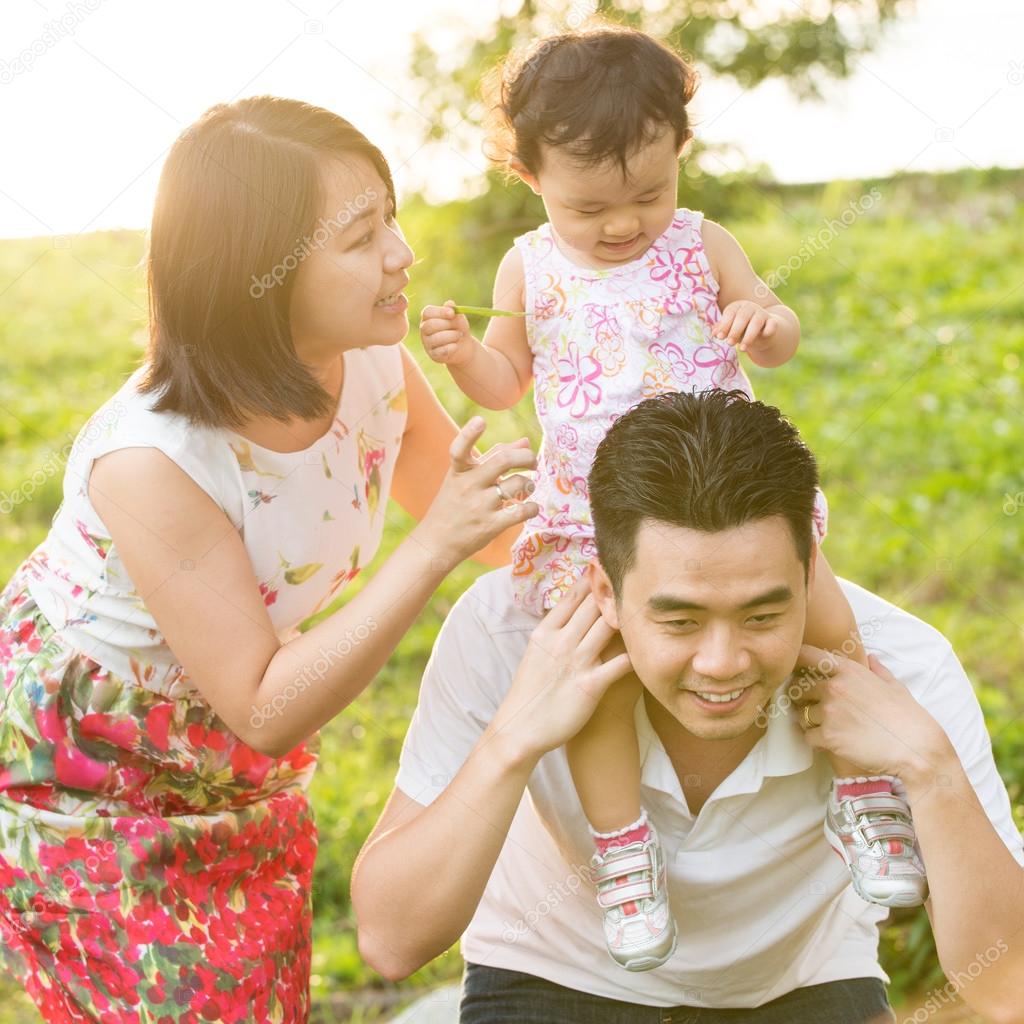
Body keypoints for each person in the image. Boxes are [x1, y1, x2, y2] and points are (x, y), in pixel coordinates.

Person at [0, 95, 538, 1024]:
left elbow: (488, 525)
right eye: (363, 235)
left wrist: (625, 576)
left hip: (234, 746)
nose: (402, 255)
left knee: (259, 989)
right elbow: (264, 707)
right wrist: (435, 543)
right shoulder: (155, 459)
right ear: (259, 273)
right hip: (89, 764)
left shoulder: (369, 360)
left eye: (392, 218)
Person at [418, 25, 925, 972]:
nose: (623, 224)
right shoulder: (529, 267)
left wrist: (761, 322)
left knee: (823, 623)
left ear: (680, 156)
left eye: (650, 193)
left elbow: (777, 336)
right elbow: (505, 382)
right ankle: (624, 854)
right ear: (529, 177)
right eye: (591, 205)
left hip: (724, 502)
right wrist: (463, 357)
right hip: (589, 519)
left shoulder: (701, 243)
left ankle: (863, 792)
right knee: (597, 675)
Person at [352, 388, 1024, 1024]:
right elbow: (392, 941)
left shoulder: (900, 665)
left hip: (803, 986)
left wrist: (931, 769)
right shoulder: (508, 635)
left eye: (762, 615)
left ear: (809, 574)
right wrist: (512, 741)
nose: (722, 662)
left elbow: (1010, 986)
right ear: (605, 591)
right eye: (680, 622)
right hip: (553, 978)